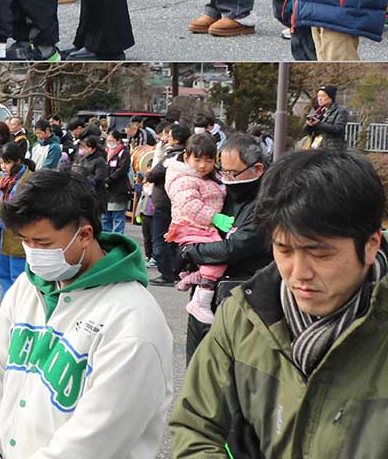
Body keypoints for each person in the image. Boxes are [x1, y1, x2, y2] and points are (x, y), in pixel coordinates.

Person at [170, 149, 388, 455]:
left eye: (320, 253)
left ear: (370, 245)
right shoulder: (243, 315)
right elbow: (195, 426)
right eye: (283, 250)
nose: (298, 274)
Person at [0, 170, 174, 459]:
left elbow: (97, 436)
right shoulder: (28, 287)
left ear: (85, 235)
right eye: (26, 241)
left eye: (45, 243)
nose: (33, 253)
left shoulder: (133, 321)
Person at [180, 133, 273, 360]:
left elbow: (236, 247)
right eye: (224, 172)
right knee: (197, 369)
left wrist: (193, 252)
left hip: (241, 299)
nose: (227, 179)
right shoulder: (220, 193)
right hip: (205, 295)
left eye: (233, 173)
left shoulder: (267, 202)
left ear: (257, 169)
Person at [162, 132, 228, 322]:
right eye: (197, 159)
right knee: (218, 257)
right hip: (190, 226)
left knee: (213, 259)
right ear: (186, 157)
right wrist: (214, 218)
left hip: (202, 226)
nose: (202, 165)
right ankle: (200, 302)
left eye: (208, 160)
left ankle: (192, 276)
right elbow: (190, 205)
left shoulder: (209, 178)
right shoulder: (183, 179)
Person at [0, 140, 30, 298]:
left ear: (18, 161)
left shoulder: (28, 180)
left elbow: (22, 210)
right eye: (1, 163)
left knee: (18, 278)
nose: (3, 167)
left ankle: (18, 311)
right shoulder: (1, 177)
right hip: (3, 232)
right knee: (3, 275)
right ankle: (6, 309)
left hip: (19, 234)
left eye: (7, 163)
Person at [147, 122, 190, 285]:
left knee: (161, 239)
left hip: (165, 203)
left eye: (170, 135)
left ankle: (167, 273)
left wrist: (149, 174)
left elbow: (154, 174)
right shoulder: (186, 155)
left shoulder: (174, 156)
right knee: (173, 240)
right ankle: (175, 271)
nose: (167, 138)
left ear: (177, 139)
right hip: (175, 203)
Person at [102, 130, 132, 234]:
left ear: (118, 140)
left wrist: (110, 179)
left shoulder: (124, 152)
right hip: (106, 191)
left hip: (119, 189)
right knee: (105, 218)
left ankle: (119, 241)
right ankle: (106, 240)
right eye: (108, 140)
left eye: (112, 140)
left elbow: (122, 169)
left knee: (118, 218)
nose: (109, 143)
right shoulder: (105, 151)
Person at [303, 84, 350, 150]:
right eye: (318, 96)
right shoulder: (319, 111)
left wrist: (319, 124)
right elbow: (307, 132)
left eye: (323, 96)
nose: (319, 98)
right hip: (316, 147)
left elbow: (339, 129)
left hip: (333, 149)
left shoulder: (340, 111)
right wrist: (309, 124)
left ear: (331, 97)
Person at [70, 134, 108, 214]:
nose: (84, 150)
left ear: (93, 149)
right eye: (82, 148)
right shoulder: (84, 159)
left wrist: (87, 180)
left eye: (86, 148)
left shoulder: (100, 160)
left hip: (96, 194)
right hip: (84, 193)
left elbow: (100, 177)